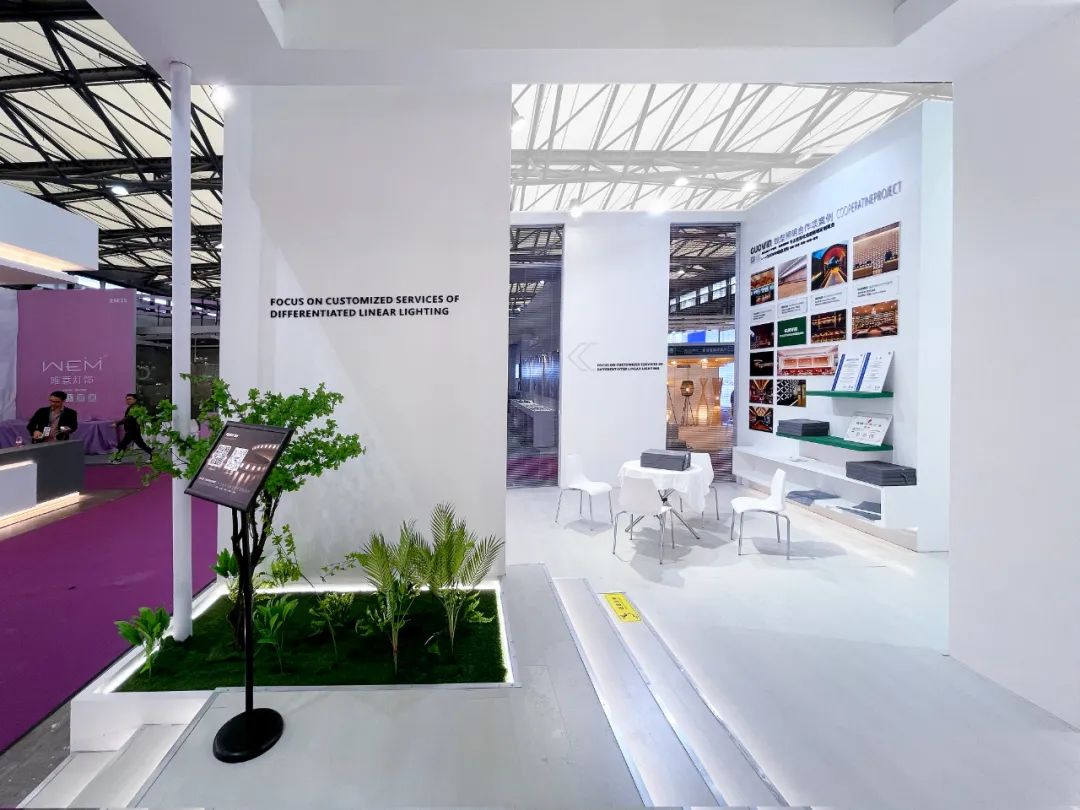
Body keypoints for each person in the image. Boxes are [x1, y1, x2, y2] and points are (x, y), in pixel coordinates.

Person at [114, 392, 152, 460]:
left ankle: (117, 459)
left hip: (132, 430)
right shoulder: (131, 407)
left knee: (122, 444)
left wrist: (117, 424)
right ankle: (154, 455)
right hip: (133, 430)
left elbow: (128, 418)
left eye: (130, 399)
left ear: (135, 400)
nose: (128, 400)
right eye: (127, 399)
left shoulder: (135, 408)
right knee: (141, 445)